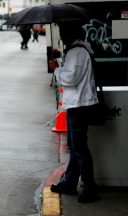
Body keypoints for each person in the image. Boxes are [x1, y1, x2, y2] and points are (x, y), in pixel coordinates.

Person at [49, 21, 100, 203]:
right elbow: (72, 73)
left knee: (80, 150)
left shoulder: (77, 52)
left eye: (63, 32)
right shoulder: (76, 51)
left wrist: (57, 70)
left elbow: (71, 78)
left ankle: (89, 189)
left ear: (72, 33)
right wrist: (61, 65)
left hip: (79, 106)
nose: (61, 36)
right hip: (76, 106)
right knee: (76, 148)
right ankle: (69, 183)